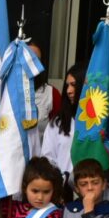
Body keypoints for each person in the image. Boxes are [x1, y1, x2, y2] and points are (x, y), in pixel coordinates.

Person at [41, 64, 85, 198]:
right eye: (67, 85)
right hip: (64, 192)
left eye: (74, 85)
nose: (69, 91)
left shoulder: (98, 122)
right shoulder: (58, 122)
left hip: (90, 188)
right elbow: (48, 159)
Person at [28, 42, 62, 143]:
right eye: (28, 58)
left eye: (36, 59)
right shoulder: (9, 93)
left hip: (41, 156)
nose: (32, 63)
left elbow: (59, 134)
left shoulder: (52, 94)